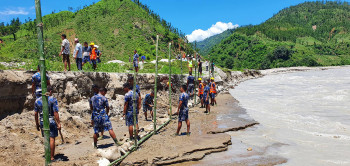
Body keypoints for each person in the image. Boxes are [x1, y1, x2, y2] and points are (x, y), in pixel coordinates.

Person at [34, 86, 61, 161]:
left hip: (42, 121)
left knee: (46, 138)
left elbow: (36, 113)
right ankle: (51, 157)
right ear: (50, 91)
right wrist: (58, 123)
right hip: (51, 121)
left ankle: (47, 155)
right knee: (52, 139)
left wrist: (37, 123)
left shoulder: (37, 101)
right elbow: (55, 113)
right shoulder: (52, 99)